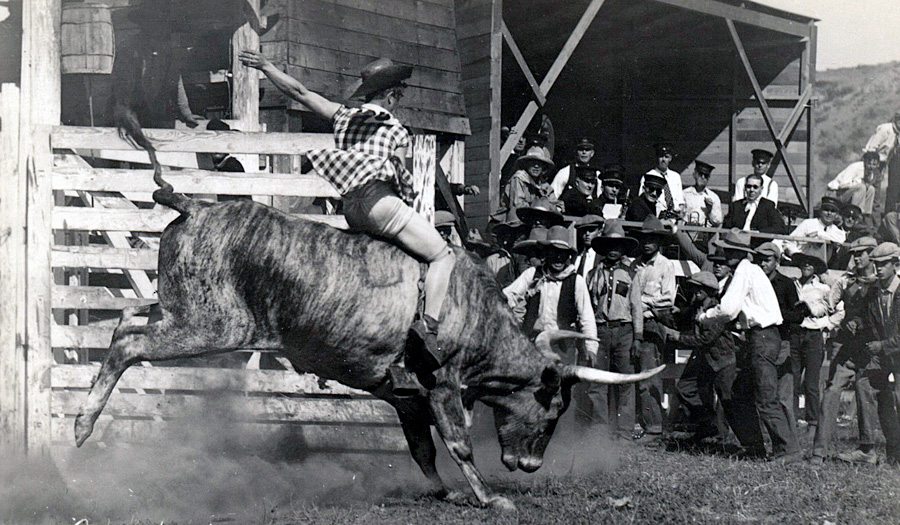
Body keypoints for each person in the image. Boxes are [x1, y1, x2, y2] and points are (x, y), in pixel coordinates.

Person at [239, 51, 454, 394]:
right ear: (391, 95)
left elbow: (299, 92)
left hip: (352, 209)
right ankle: (427, 329)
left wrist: (267, 67)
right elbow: (400, 180)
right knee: (442, 255)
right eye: (399, 96)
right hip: (381, 204)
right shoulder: (397, 131)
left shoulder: (343, 116)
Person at [697, 230, 800, 462]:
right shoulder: (750, 271)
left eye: (729, 251)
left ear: (739, 253)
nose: (726, 254)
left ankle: (788, 450)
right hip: (761, 337)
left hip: (763, 337)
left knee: (765, 397)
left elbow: (728, 309)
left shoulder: (744, 271)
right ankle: (755, 446)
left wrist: (705, 317)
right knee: (740, 393)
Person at [663, 271, 764, 448]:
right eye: (693, 289)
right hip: (706, 360)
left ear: (708, 291)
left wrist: (678, 337)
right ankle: (708, 426)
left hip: (723, 361)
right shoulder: (697, 308)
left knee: (729, 402)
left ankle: (751, 444)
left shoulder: (717, 310)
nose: (694, 293)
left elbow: (706, 339)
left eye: (698, 290)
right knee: (685, 388)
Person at [810, 237, 880, 465]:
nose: (856, 258)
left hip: (872, 348)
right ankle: (818, 451)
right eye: (854, 254)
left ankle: (869, 448)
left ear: (872, 254)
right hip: (848, 346)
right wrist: (816, 310)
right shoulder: (846, 281)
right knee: (831, 391)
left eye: (861, 253)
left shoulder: (882, 283)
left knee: (866, 391)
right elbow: (830, 305)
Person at [502, 225, 598, 361]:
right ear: (546, 253)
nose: (558, 258)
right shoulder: (532, 274)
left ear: (568, 256)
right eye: (554, 252)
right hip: (533, 343)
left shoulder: (576, 281)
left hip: (562, 346)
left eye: (563, 253)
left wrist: (591, 348)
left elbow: (586, 316)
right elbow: (508, 295)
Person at [584, 221, 641, 439]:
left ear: (623, 248)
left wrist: (637, 337)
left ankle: (625, 431)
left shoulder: (631, 274)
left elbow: (636, 307)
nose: (613, 250)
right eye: (609, 245)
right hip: (600, 331)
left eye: (618, 246)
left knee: (626, 381)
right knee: (598, 382)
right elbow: (588, 306)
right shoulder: (592, 275)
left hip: (624, 331)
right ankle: (599, 430)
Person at [850, 242, 900, 465]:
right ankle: (867, 448)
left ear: (895, 265)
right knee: (864, 384)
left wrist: (882, 345)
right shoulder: (874, 292)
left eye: (884, 264)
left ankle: (896, 452)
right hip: (885, 355)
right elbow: (867, 319)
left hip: (893, 352)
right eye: (876, 264)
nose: (878, 268)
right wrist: (856, 322)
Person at [630, 216, 677, 440]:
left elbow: (667, 299)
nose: (647, 243)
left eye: (652, 239)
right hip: (631, 324)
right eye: (644, 239)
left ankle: (655, 427)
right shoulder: (634, 265)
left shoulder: (665, 265)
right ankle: (635, 423)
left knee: (649, 376)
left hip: (652, 324)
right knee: (632, 373)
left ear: (659, 242)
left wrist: (640, 303)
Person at [790, 252, 834, 430]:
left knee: (811, 382)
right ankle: (791, 419)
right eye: (803, 262)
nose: (806, 266)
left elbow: (827, 308)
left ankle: (813, 420)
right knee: (792, 379)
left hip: (813, 335)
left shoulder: (823, 289)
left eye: (810, 263)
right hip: (795, 334)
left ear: (815, 268)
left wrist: (811, 310)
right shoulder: (793, 284)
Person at [501, 144, 558, 220]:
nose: (536, 166)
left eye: (539, 163)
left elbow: (555, 204)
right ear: (526, 164)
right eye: (533, 162)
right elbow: (518, 206)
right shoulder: (518, 178)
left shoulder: (543, 184)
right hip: (516, 220)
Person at [723, 173, 786, 238]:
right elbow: (726, 227)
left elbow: (779, 228)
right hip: (737, 241)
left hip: (757, 242)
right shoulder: (736, 206)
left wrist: (759, 233)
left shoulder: (768, 206)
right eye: (749, 186)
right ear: (745, 188)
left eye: (755, 187)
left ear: (761, 189)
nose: (751, 190)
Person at [781, 197, 846, 259]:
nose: (829, 213)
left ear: (837, 215)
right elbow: (788, 242)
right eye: (826, 209)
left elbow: (841, 240)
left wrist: (819, 234)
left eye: (833, 211)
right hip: (803, 261)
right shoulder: (808, 223)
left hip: (821, 264)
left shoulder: (835, 230)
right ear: (820, 210)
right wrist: (798, 255)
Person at [863, 111, 900, 212]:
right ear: (896, 119)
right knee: (870, 191)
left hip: (882, 164)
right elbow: (871, 148)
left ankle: (876, 217)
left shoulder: (898, 135)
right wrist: (870, 166)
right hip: (872, 162)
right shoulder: (885, 129)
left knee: (877, 193)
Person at [827, 151, 881, 219]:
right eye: (869, 163)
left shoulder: (870, 172)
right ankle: (854, 213)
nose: (871, 167)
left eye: (874, 164)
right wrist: (858, 183)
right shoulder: (856, 167)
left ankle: (865, 215)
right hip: (836, 194)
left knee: (871, 189)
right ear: (864, 161)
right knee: (861, 187)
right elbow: (842, 185)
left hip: (851, 195)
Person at [640, 143, 684, 218]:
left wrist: (679, 216)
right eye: (661, 156)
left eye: (666, 157)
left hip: (674, 217)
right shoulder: (648, 176)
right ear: (657, 157)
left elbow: (680, 201)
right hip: (656, 217)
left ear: (670, 159)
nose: (663, 160)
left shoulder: (676, 177)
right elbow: (642, 202)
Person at [682, 160, 723, 227]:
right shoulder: (685, 194)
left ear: (709, 178)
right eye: (700, 174)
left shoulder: (713, 197)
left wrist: (710, 211)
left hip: (705, 231)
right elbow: (679, 216)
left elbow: (718, 222)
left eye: (706, 175)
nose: (703, 177)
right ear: (694, 174)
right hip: (687, 230)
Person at [574, 215, 605, 281]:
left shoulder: (603, 256)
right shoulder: (575, 255)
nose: (587, 234)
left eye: (591, 230)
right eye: (584, 231)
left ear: (599, 232)